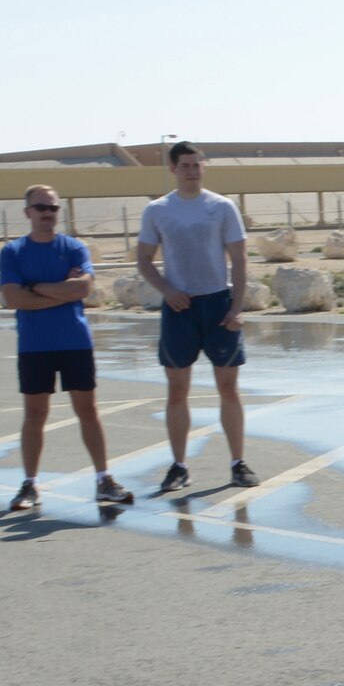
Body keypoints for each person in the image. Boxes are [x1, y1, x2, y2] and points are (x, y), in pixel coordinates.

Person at [0, 185, 134, 510]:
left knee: (88, 411)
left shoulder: (73, 248)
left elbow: (83, 288)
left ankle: (104, 479)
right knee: (35, 414)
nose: (47, 213)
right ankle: (29, 485)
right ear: (27, 212)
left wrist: (34, 288)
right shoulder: (13, 252)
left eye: (53, 208)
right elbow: (12, 298)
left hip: (74, 342)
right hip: (34, 346)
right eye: (41, 207)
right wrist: (60, 290)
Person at [136, 141, 254, 491]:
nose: (191, 171)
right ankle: (178, 466)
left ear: (204, 167)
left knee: (228, 387)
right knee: (177, 390)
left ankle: (238, 463)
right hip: (179, 309)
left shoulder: (221, 207)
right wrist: (167, 290)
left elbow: (240, 259)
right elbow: (143, 259)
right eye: (184, 165)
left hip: (218, 305)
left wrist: (237, 307)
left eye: (196, 164)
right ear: (173, 169)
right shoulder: (158, 210)